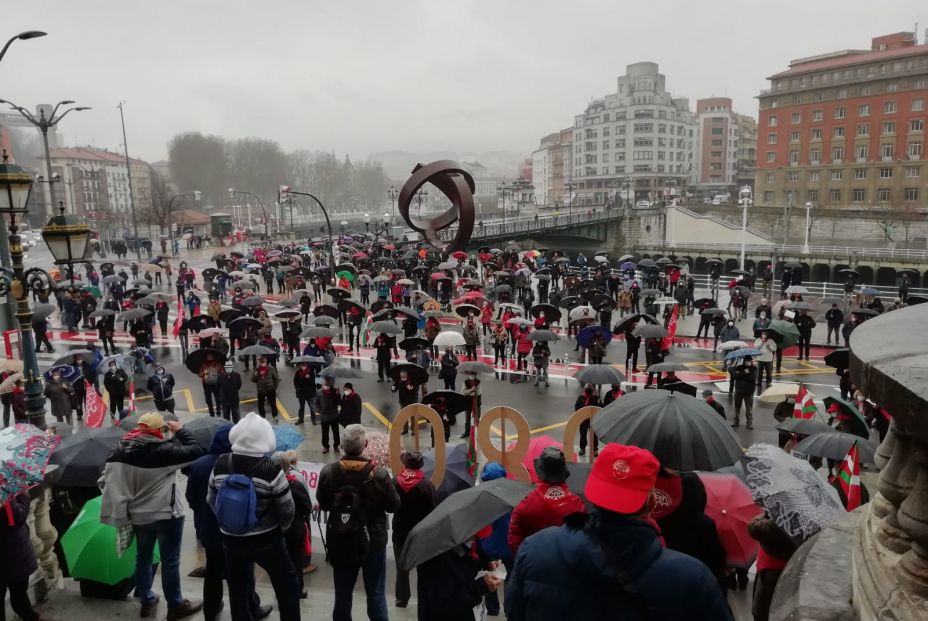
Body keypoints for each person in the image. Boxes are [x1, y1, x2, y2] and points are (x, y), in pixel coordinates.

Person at [506, 444, 732, 621]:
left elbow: (515, 612)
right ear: (652, 502)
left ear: (590, 491)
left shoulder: (534, 550)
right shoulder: (693, 579)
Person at [100, 413, 204, 620]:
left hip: (138, 516)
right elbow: (196, 450)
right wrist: (180, 430)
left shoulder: (117, 451)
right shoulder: (162, 451)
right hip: (166, 514)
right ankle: (175, 605)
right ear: (159, 431)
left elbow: (108, 479)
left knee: (143, 557)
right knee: (170, 561)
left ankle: (147, 600)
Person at [207, 414, 301, 621]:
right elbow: (287, 508)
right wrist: (280, 529)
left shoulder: (221, 463)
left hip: (231, 538)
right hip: (267, 539)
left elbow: (211, 499)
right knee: (287, 584)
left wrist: (229, 523)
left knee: (238, 589)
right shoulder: (271, 469)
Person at [185, 425, 273, 621]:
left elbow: (191, 497)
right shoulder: (237, 464)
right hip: (235, 529)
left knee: (213, 569)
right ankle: (251, 607)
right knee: (243, 571)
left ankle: (211, 608)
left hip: (209, 529)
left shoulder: (198, 464)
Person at [317, 425, 401, 621]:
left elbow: (324, 504)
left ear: (342, 445)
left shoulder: (329, 472)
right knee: (376, 594)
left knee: (342, 595)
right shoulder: (379, 475)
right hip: (373, 541)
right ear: (365, 444)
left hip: (341, 539)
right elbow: (393, 506)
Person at [657, 472, 728, 593]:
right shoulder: (705, 523)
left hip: (670, 578)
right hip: (699, 581)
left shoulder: (664, 519)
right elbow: (716, 557)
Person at [508, 447, 586, 556]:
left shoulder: (525, 504)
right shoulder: (577, 504)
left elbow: (514, 538)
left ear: (541, 473)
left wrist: (526, 559)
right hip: (569, 563)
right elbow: (584, 539)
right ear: (564, 473)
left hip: (534, 561)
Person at [391, 451, 437, 608]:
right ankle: (424, 599)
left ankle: (401, 599)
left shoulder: (395, 482)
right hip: (420, 533)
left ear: (405, 464)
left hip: (399, 532)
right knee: (423, 569)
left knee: (401, 567)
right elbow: (433, 510)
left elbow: (390, 505)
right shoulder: (426, 486)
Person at [0, 492, 54, 621]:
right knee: (18, 589)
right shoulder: (4, 491)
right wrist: (23, 495)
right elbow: (16, 518)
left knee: (18, 591)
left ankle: (30, 616)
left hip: (11, 550)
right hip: (11, 551)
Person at [273, 451, 315, 600]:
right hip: (294, 528)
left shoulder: (268, 483)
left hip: (275, 529)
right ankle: (297, 589)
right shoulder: (295, 484)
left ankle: (281, 589)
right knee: (296, 560)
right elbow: (307, 506)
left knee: (279, 561)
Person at [748, 515, 798, 621]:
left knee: (763, 611)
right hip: (792, 571)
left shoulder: (776, 524)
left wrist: (767, 514)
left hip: (770, 575)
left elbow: (753, 527)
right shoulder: (807, 524)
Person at [251, 356, 280, 421]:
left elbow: (276, 378)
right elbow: (253, 380)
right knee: (260, 404)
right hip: (261, 390)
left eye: (263, 362)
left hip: (270, 389)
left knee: (273, 403)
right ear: (259, 362)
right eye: (261, 362)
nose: (262, 364)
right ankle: (262, 417)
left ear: (266, 362)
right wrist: (256, 375)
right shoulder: (257, 369)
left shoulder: (271, 368)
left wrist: (274, 387)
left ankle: (275, 415)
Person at [731, 357, 758, 429]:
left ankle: (749, 423)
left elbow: (752, 378)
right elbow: (734, 376)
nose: (748, 362)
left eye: (749, 361)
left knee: (749, 409)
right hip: (739, 391)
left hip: (749, 392)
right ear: (744, 361)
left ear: (751, 361)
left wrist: (741, 375)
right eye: (747, 361)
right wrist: (745, 373)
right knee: (737, 407)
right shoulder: (738, 367)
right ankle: (736, 422)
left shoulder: (754, 368)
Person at [575, 384, 601, 457]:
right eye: (587, 389)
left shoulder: (595, 397)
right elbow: (577, 407)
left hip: (593, 419)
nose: (588, 390)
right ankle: (582, 448)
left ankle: (595, 449)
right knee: (583, 434)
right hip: (583, 419)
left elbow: (599, 407)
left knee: (594, 435)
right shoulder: (581, 397)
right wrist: (579, 416)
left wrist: (598, 399)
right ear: (585, 389)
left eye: (590, 389)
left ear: (592, 389)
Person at [319, 377, 342, 453]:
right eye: (326, 383)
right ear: (323, 383)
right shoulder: (319, 392)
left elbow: (339, 403)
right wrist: (319, 410)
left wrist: (338, 395)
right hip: (324, 417)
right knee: (324, 433)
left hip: (334, 416)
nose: (327, 385)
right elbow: (317, 403)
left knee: (336, 432)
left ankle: (336, 445)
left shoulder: (335, 392)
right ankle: (326, 446)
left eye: (328, 384)